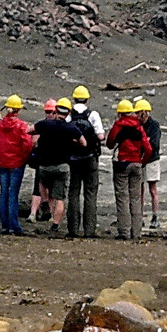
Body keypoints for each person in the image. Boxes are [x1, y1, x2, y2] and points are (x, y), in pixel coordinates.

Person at [31, 97, 86, 235]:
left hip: (45, 164)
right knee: (60, 198)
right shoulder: (70, 128)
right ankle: (55, 225)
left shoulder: (44, 125)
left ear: (55, 110)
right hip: (62, 165)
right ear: (68, 113)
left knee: (42, 182)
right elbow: (84, 143)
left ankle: (44, 202)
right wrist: (73, 141)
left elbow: (28, 130)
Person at [105, 99, 151, 240]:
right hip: (136, 164)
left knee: (122, 198)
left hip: (122, 164)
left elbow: (110, 144)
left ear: (119, 113)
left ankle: (124, 232)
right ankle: (136, 232)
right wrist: (141, 162)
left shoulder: (118, 126)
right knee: (136, 199)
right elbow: (148, 148)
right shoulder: (138, 126)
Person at [0, 95, 34, 235]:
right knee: (13, 194)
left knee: (4, 193)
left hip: (3, 163)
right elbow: (27, 144)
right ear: (18, 110)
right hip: (17, 163)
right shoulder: (21, 126)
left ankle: (5, 225)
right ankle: (14, 226)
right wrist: (23, 158)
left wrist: (1, 156)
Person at [66, 94, 103, 239]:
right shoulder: (93, 115)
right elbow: (101, 136)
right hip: (90, 158)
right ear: (87, 99)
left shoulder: (69, 116)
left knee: (73, 193)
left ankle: (73, 229)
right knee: (90, 194)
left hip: (73, 158)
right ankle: (89, 230)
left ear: (74, 99)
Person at [28, 99, 57, 222]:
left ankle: (33, 213)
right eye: (48, 112)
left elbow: (33, 141)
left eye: (52, 112)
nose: (50, 114)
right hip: (54, 160)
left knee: (39, 187)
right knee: (52, 188)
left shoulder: (41, 125)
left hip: (42, 160)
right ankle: (48, 213)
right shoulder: (60, 126)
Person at [134, 97, 162, 229]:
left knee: (152, 189)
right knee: (140, 189)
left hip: (152, 160)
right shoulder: (137, 125)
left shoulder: (154, 125)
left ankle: (155, 216)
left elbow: (154, 144)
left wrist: (144, 142)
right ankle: (139, 216)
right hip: (140, 159)